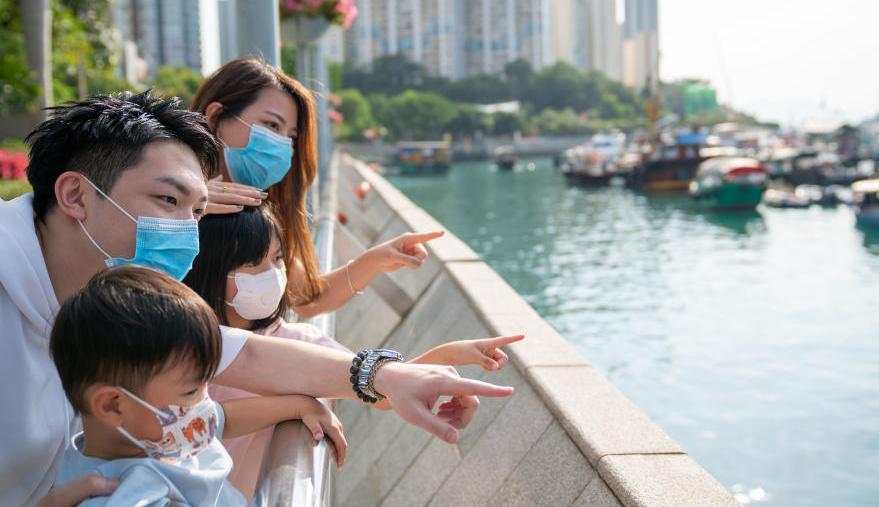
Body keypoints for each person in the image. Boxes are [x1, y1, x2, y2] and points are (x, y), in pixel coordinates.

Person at [0, 91, 512, 507]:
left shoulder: (110, 306)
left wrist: (388, 376)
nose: (187, 234)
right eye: (167, 201)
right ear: (74, 196)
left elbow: (240, 354)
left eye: (198, 211)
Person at [183, 205, 523, 501]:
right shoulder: (177, 344)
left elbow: (384, 390)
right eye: (252, 264)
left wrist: (446, 356)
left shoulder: (299, 342)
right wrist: (295, 405)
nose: (272, 275)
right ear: (206, 268)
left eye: (277, 259)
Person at [51, 265, 346, 506]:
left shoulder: (160, 434)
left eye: (206, 384)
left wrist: (299, 406)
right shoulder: (123, 495)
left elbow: (223, 418)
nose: (204, 401)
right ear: (113, 406)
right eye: (191, 391)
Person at [192, 57, 430, 318]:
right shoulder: (160, 193)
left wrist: (377, 260)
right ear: (215, 116)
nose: (281, 144)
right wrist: (186, 211)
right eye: (271, 125)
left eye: (290, 136)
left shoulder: (255, 214)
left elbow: (306, 297)